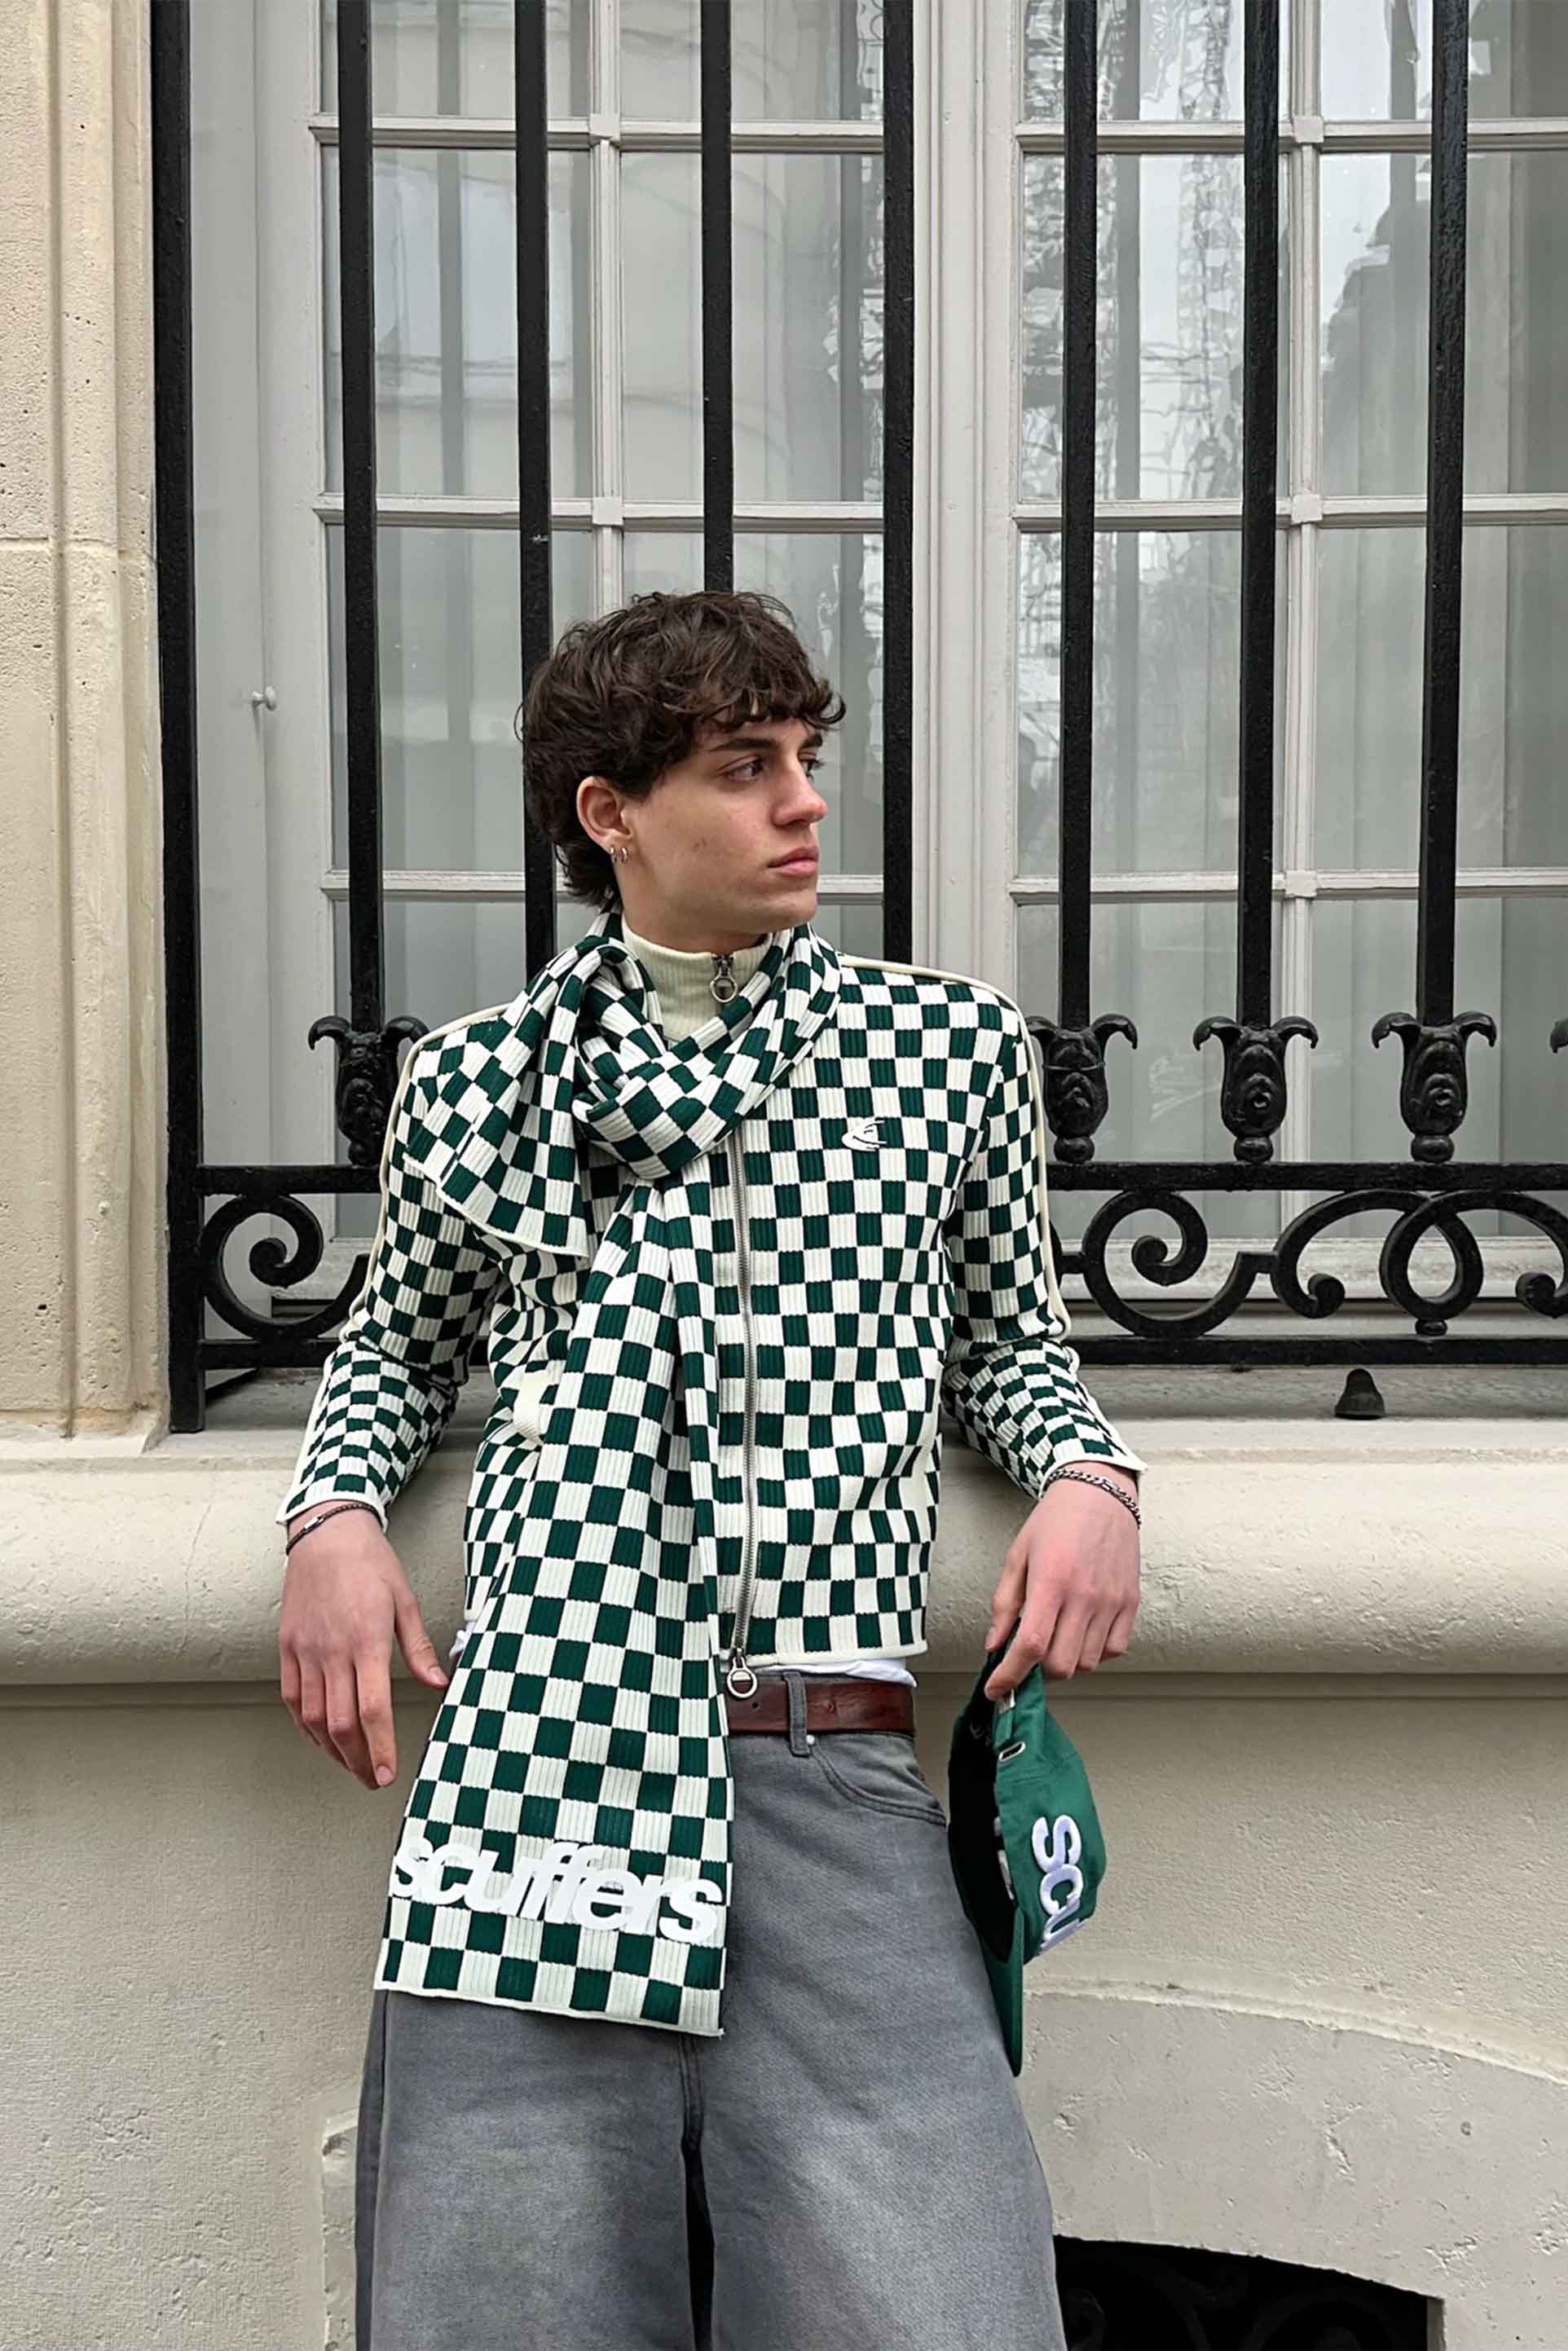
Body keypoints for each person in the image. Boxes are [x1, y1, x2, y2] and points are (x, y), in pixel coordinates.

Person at [276, 589, 1147, 2351]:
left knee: (944, 2309)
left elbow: (1005, 1346)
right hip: (538, 1777)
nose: (804, 801)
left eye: (806, 758)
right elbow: (394, 1350)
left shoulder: (945, 1057)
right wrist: (333, 1515)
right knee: (500, 2316)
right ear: (610, 812)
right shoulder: (477, 1085)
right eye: (746, 767)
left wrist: (1090, 1480)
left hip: (826, 1768)